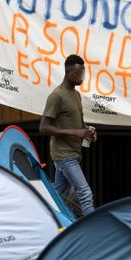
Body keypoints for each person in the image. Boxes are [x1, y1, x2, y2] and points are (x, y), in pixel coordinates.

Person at [39, 54, 96, 216]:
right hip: (64, 154)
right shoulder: (57, 96)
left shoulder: (76, 95)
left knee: (58, 194)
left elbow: (76, 123)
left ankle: (42, 215)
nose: (82, 77)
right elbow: (43, 128)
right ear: (68, 72)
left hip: (74, 152)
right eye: (78, 74)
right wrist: (75, 132)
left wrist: (86, 130)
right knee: (85, 193)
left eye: (83, 73)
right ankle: (94, 230)